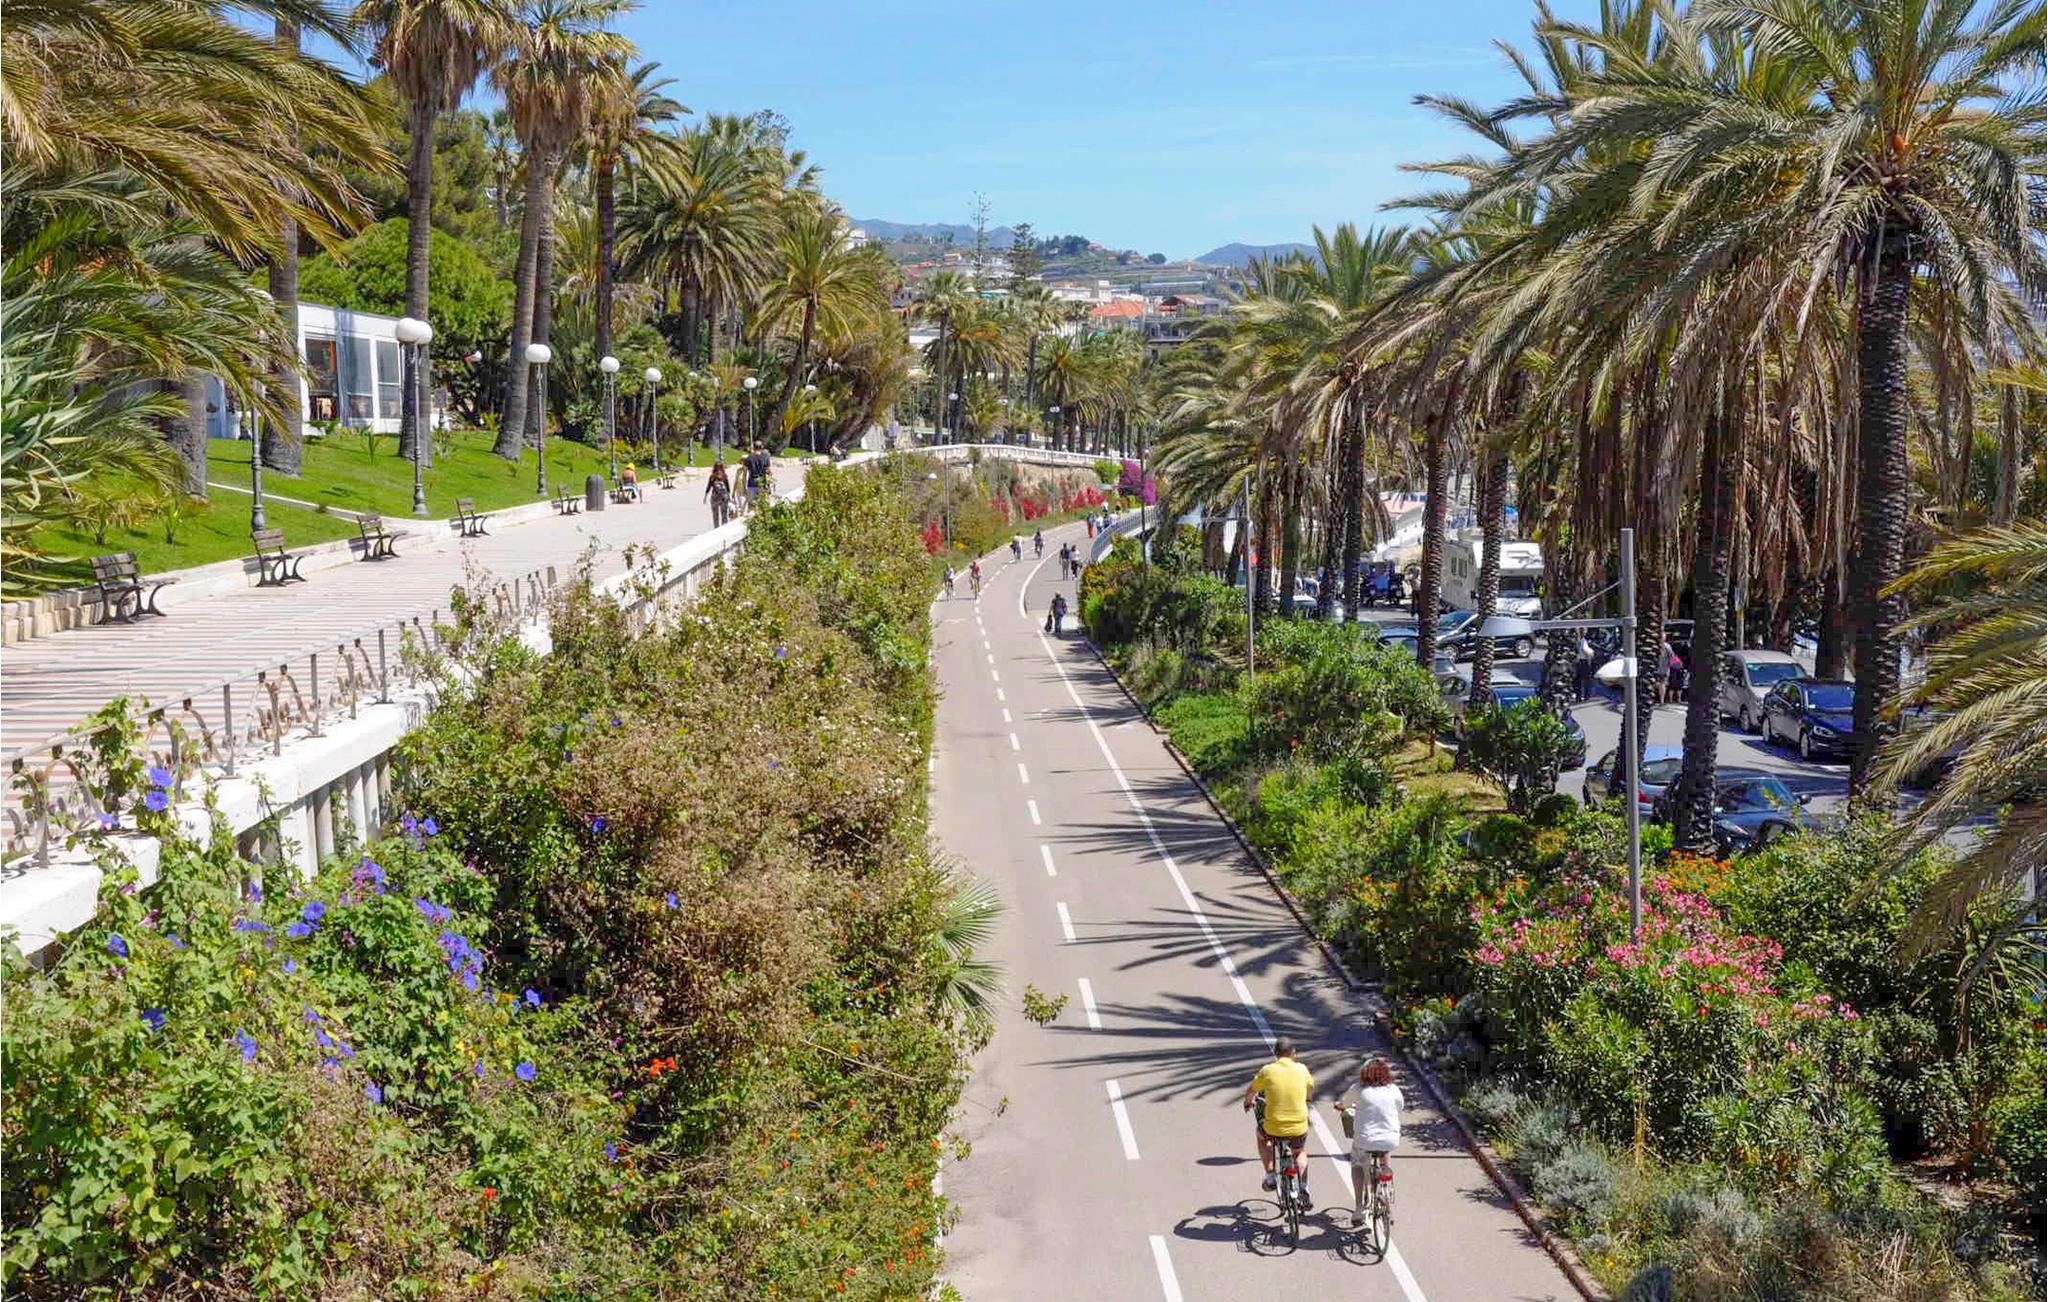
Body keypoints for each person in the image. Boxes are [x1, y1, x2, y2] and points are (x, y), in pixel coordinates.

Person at [1242, 1037, 1314, 1207]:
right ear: (1293, 1053)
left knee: (1262, 1136)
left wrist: (1247, 1102)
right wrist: (1307, 1099)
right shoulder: (1302, 1069)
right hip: (1298, 1127)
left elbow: (1252, 1090)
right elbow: (1310, 1089)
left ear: (1276, 1054)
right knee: (1299, 1152)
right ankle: (1303, 1187)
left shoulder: (1267, 1071)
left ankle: (1270, 1175)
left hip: (1274, 1127)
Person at [1338, 1057, 1403, 1220]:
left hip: (1364, 1140)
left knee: (1357, 1165)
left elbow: (1345, 1104)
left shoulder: (1358, 1089)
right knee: (1384, 1150)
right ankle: (1384, 1188)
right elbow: (1400, 1107)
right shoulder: (1393, 1089)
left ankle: (1359, 1207)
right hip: (1390, 1139)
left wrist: (1340, 1106)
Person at [742, 442, 772, 509]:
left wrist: (744, 487)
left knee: (751, 507)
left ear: (753, 447)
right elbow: (769, 473)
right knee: (762, 507)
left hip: (751, 484)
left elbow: (744, 474)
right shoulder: (765, 458)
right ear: (762, 447)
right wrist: (769, 486)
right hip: (762, 484)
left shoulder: (748, 458)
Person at [704, 461, 732, 527]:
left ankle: (718, 528)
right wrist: (729, 496)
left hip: (716, 497)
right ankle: (723, 528)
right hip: (722, 497)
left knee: (716, 515)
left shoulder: (713, 476)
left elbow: (709, 486)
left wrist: (705, 496)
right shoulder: (724, 476)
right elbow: (728, 487)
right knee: (723, 514)